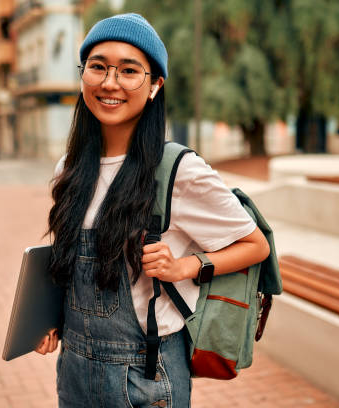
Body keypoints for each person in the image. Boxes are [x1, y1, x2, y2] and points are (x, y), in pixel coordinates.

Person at [37, 13, 270, 407]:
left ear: (155, 86)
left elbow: (255, 245)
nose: (110, 82)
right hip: (73, 372)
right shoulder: (70, 168)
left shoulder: (178, 170)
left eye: (129, 71)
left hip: (145, 379)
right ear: (83, 76)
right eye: (98, 67)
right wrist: (49, 319)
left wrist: (185, 267)